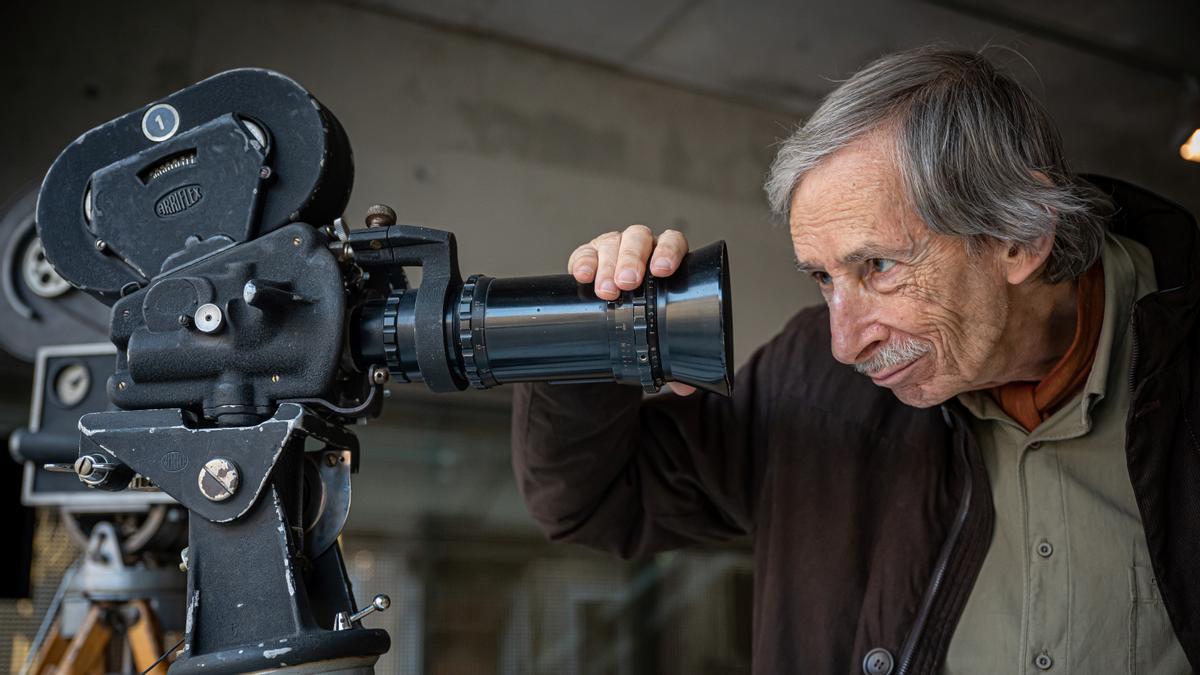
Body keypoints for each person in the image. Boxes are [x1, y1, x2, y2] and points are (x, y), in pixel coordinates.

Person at [510, 47, 1200, 674]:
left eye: (877, 266)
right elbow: (592, 502)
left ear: (1019, 238)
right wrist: (593, 327)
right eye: (822, 276)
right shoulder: (812, 376)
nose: (846, 343)